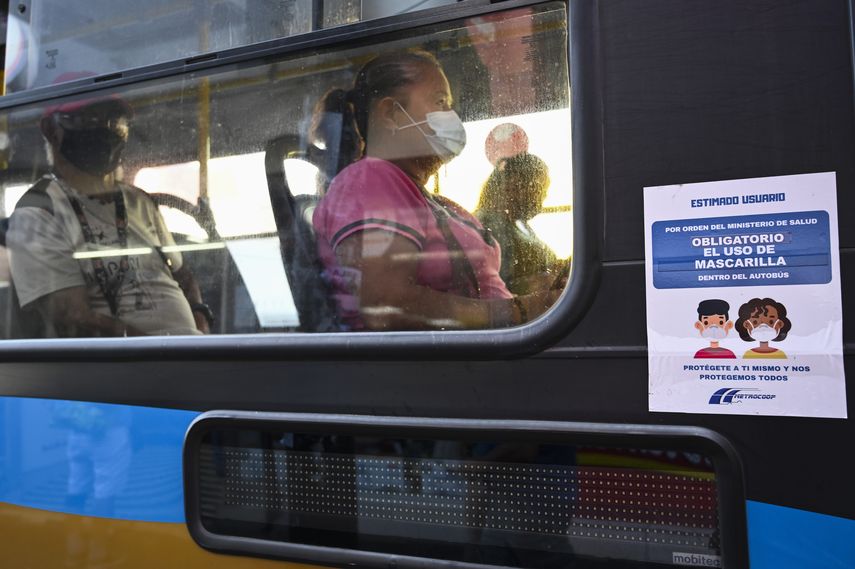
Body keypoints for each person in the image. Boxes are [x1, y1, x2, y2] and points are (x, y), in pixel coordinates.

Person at [311, 50, 561, 330]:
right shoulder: (370, 179)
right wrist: (519, 312)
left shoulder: (436, 201)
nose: (452, 117)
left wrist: (547, 295)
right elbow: (386, 304)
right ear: (392, 114)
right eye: (440, 102)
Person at [6, 88, 211, 337]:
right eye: (89, 120)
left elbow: (183, 275)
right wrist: (155, 348)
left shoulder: (139, 201)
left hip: (189, 354)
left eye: (114, 123)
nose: (104, 131)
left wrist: (201, 321)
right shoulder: (39, 211)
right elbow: (72, 318)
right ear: (51, 130)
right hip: (123, 367)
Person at [475, 152, 567, 295]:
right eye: (541, 188)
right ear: (515, 185)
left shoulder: (519, 224)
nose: (544, 196)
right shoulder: (492, 225)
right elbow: (497, 286)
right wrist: (543, 281)